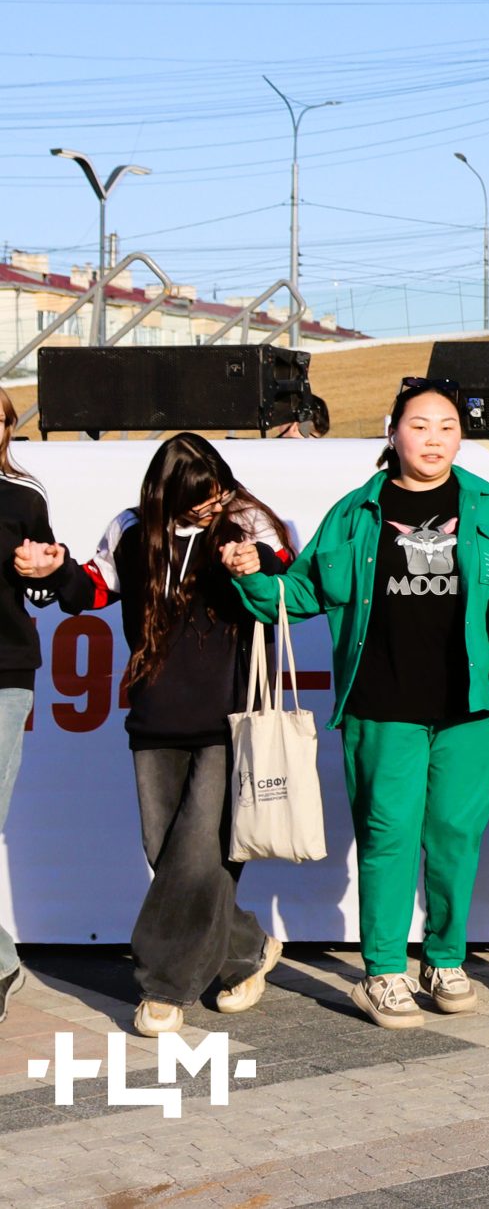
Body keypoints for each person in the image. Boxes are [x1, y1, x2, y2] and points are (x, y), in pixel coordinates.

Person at [225, 378, 489, 1029]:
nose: (434, 439)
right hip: (381, 702)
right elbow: (301, 593)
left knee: (455, 835)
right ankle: (383, 972)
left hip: (473, 706)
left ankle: (444, 959)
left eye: (447, 427)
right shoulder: (355, 512)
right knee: (387, 835)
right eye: (420, 426)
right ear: (394, 433)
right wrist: (252, 576)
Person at [41, 436, 291, 1035]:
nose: (212, 505)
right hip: (153, 715)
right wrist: (57, 570)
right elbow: (91, 590)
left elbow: (285, 565)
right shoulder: (131, 530)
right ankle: (247, 950)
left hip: (228, 717)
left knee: (200, 851)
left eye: (218, 492)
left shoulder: (245, 520)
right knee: (165, 852)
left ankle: (163, 988)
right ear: (168, 494)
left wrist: (255, 560)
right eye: (200, 498)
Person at [1, 390, 82, 1022]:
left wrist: (47, 569)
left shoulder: (24, 498)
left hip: (3, 674)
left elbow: (53, 591)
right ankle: (3, 960)